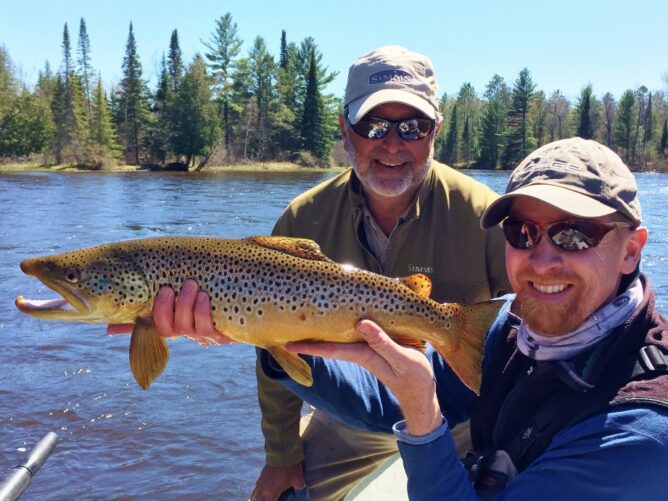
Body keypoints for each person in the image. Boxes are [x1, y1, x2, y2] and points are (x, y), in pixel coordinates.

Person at [110, 45, 510, 501]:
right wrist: (281, 456)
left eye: (413, 127)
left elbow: (540, 318)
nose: (393, 144)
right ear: (345, 130)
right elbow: (271, 351)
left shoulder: (485, 215)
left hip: (455, 413)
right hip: (347, 414)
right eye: (374, 126)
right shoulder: (303, 217)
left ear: (435, 131)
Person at [281, 137, 668, 500]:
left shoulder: (640, 432)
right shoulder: (513, 329)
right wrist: (276, 335)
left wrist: (425, 418)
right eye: (523, 232)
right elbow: (386, 399)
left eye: (575, 235)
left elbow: (417, 406)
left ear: (631, 250)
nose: (543, 260)